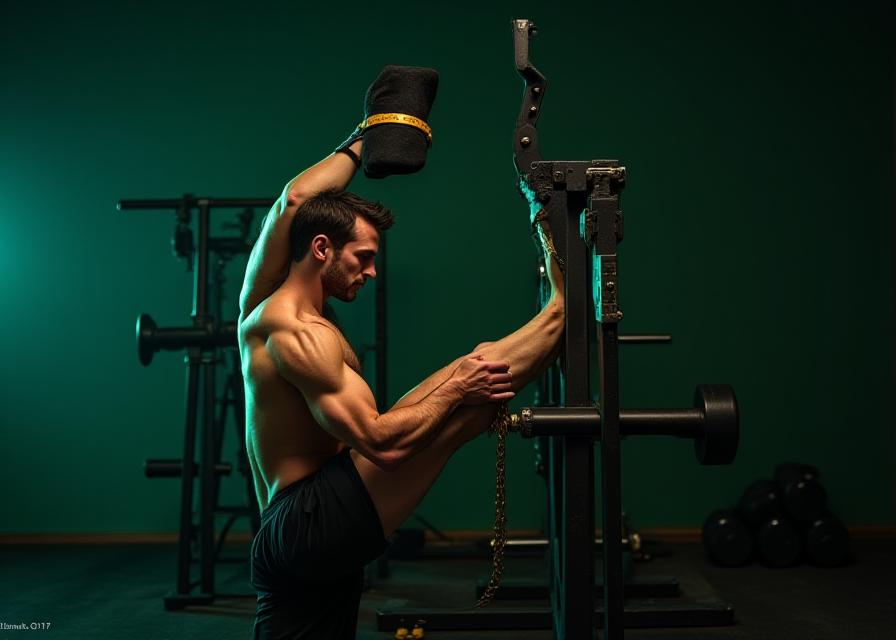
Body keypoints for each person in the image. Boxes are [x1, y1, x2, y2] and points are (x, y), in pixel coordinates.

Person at [238, 138, 565, 639]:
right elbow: (381, 444)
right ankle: (564, 309)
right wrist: (455, 388)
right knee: (465, 399)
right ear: (322, 249)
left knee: (469, 383)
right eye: (363, 257)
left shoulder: (259, 300)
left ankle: (560, 311)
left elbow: (294, 200)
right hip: (310, 520)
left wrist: (370, 135)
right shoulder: (295, 332)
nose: (371, 272)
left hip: (294, 531)